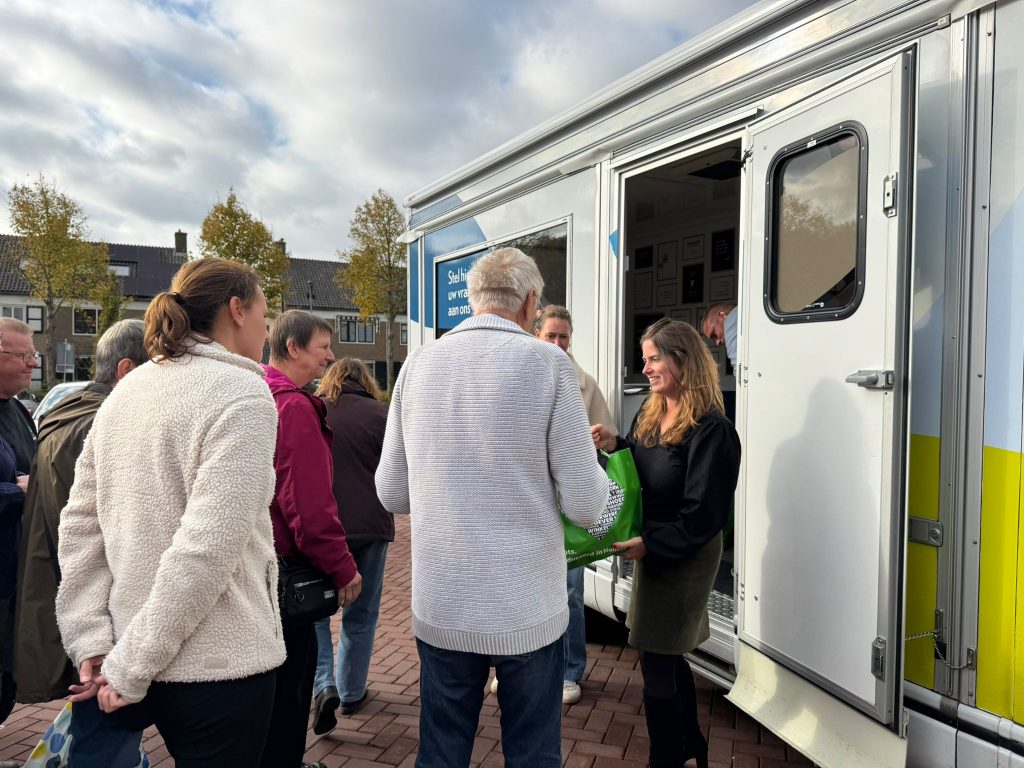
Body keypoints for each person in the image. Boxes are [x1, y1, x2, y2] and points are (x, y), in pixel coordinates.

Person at [376, 247, 609, 768]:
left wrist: (450, 492)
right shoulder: (549, 364)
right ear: (530, 303)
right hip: (526, 608)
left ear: (473, 298)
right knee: (532, 754)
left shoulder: (418, 364)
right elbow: (586, 503)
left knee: (441, 751)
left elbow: (392, 491)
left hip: (443, 604)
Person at [55, 259, 285, 768]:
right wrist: (129, 663)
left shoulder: (130, 388)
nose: (267, 330)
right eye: (264, 315)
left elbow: (80, 524)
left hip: (121, 649)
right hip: (215, 666)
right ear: (236, 310)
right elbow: (206, 549)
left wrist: (91, 639)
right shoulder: (244, 394)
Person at [593, 318, 741, 768]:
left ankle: (666, 758)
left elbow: (703, 515)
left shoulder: (713, 430)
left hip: (684, 552)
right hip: (653, 545)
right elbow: (642, 469)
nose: (647, 369)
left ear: (682, 360)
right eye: (646, 359)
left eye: (654, 359)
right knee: (667, 652)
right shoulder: (652, 410)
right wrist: (616, 444)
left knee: (656, 662)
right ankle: (691, 742)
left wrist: (651, 546)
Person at [14, 319, 149, 760]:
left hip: (73, 601)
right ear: (128, 372)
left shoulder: (69, 414)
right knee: (105, 732)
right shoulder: (100, 428)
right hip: (99, 614)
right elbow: (109, 536)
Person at [262, 311, 362, 768]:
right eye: (322, 345)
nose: (330, 355)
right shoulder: (295, 407)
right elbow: (307, 503)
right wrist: (342, 567)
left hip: (260, 566)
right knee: (292, 680)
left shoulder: (257, 394)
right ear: (293, 348)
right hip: (289, 569)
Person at [531, 304, 616, 705]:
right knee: (527, 588)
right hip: (529, 505)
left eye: (564, 336)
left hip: (569, 505)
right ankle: (526, 668)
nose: (559, 343)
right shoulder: (523, 376)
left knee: (569, 590)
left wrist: (601, 437)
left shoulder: (585, 384)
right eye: (552, 336)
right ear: (537, 335)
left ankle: (569, 671)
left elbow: (610, 437)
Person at [311, 358, 392, 734]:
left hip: (324, 528)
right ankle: (352, 691)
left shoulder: (314, 410)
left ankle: (323, 682)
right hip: (371, 527)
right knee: (361, 615)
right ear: (366, 381)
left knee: (315, 614)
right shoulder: (382, 414)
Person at [0, 316, 36, 723]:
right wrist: (18, 491)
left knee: (8, 674)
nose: (32, 363)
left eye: (33, 355)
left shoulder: (19, 411)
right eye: (23, 355)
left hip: (15, 569)